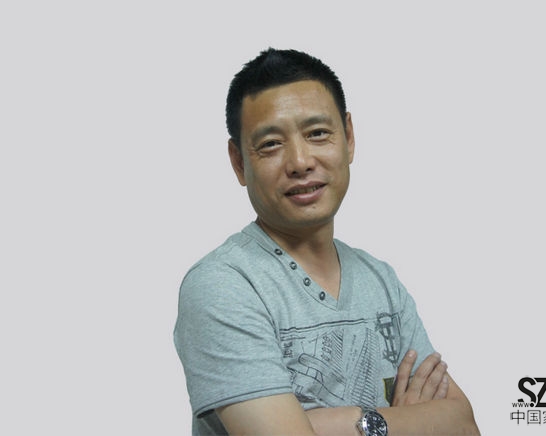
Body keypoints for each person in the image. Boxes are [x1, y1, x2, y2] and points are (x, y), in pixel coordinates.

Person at [174, 48, 479, 436]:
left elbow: (464, 425)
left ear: (348, 137)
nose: (300, 162)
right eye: (271, 143)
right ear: (239, 162)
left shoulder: (381, 281)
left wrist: (338, 423)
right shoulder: (224, 285)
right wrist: (406, 423)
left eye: (317, 133)